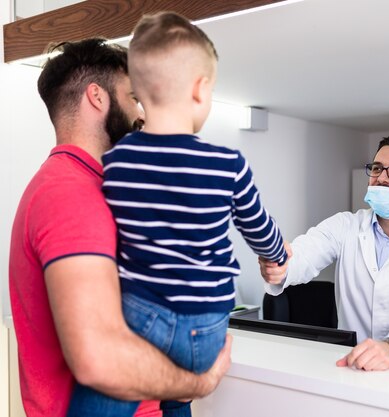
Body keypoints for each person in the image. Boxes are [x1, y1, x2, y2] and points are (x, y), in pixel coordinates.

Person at [67, 12, 288, 417]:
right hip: (207, 328)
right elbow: (258, 227)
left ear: (138, 91)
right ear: (201, 89)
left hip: (142, 314)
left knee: (100, 402)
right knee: (177, 397)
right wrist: (276, 255)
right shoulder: (227, 164)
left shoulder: (116, 162)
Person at [9, 38, 232, 417]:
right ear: (97, 97)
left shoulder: (95, 189)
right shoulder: (69, 195)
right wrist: (200, 382)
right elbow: (98, 360)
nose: (141, 113)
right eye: (133, 98)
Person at [260, 136, 389, 371]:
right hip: (354, 365)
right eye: (377, 168)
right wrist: (280, 266)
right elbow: (304, 254)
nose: (382, 177)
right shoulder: (345, 225)